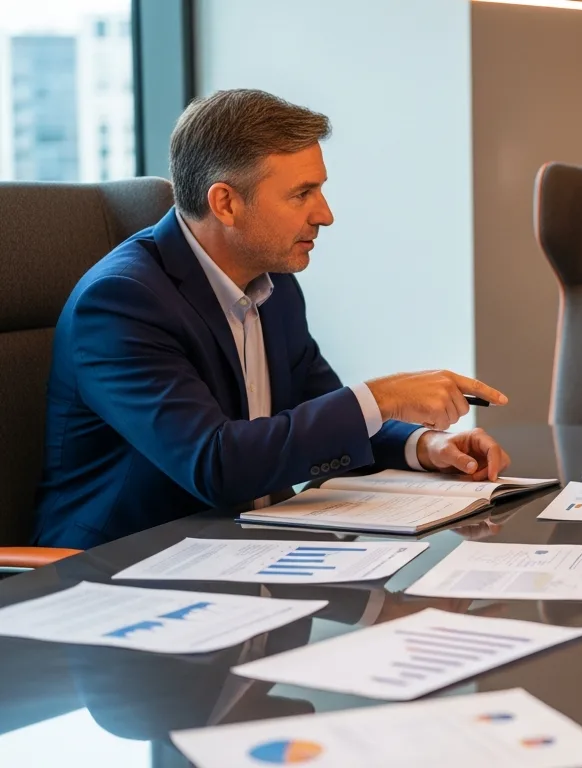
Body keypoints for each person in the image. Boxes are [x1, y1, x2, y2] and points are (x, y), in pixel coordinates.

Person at [33, 89, 510, 549]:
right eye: (302, 194)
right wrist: (381, 397)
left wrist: (424, 445)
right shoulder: (122, 302)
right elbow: (215, 464)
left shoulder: (275, 285)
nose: (325, 214)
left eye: (320, 190)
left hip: (244, 551)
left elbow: (318, 413)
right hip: (123, 571)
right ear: (225, 203)